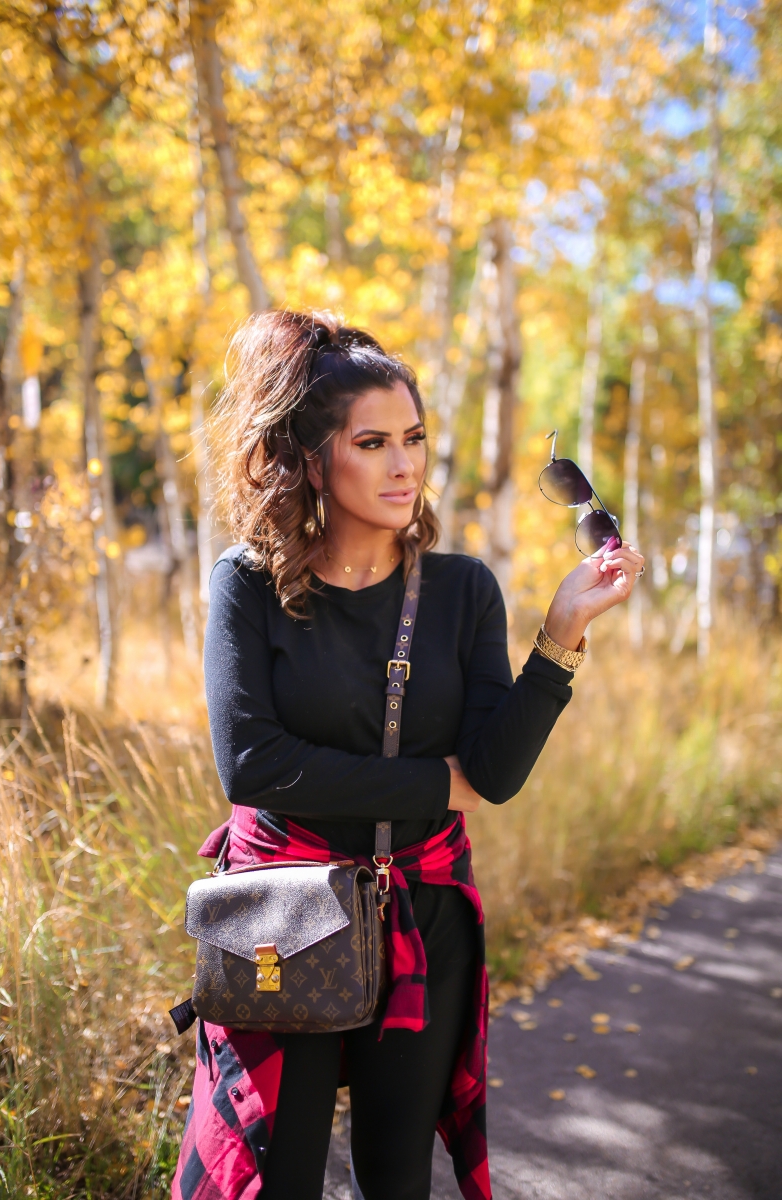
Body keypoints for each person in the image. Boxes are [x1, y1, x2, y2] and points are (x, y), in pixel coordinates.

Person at [172, 311, 644, 1200]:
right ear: (315, 459)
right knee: (278, 1178)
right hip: (284, 916)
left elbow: (494, 774)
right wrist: (437, 782)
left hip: (422, 917)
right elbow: (253, 766)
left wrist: (562, 632)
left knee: (397, 1180)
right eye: (374, 441)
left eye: (415, 438)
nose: (404, 465)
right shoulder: (250, 582)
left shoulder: (463, 589)